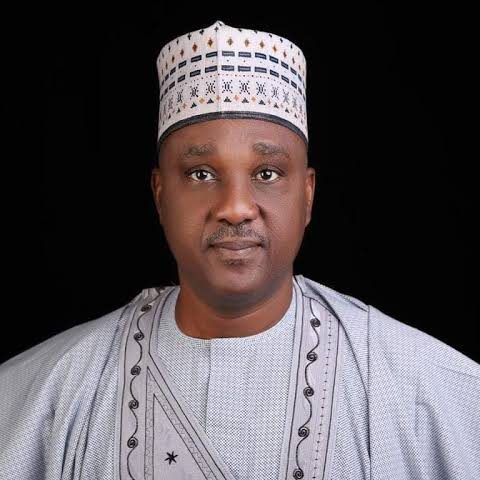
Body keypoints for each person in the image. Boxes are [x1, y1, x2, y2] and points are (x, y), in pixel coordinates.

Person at [1, 19, 479, 480]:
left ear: (307, 195)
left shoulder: (426, 388)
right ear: (160, 194)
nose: (235, 208)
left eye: (267, 173)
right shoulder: (47, 393)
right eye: (201, 174)